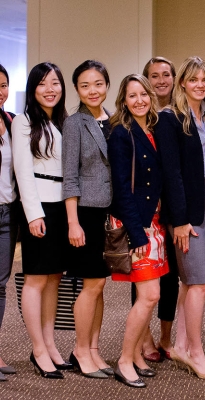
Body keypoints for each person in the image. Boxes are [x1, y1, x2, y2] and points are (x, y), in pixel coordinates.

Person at [156, 56, 205, 380]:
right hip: (187, 210)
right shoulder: (170, 118)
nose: (200, 85)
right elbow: (171, 174)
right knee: (201, 282)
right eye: (193, 79)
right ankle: (196, 354)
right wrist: (179, 220)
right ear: (182, 82)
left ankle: (181, 346)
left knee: (188, 282)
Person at [107, 74, 169, 388]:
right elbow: (121, 188)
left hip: (154, 222)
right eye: (132, 96)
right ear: (124, 100)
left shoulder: (153, 128)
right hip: (138, 225)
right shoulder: (122, 132)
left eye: (143, 94)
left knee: (147, 296)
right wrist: (137, 233)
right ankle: (123, 358)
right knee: (150, 295)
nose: (140, 100)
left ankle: (137, 355)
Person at [12, 62, 71, 379]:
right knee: (35, 279)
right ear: (33, 89)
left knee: (54, 278)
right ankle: (37, 349)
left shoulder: (63, 121)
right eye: (43, 84)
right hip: (38, 208)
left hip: (63, 207)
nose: (50, 89)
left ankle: (50, 344)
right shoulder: (23, 121)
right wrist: (33, 214)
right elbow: (22, 170)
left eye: (56, 83)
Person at [62, 60, 113, 379]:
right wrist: (72, 222)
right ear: (77, 89)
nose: (92, 90)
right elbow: (69, 176)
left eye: (98, 83)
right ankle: (81, 350)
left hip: (110, 213)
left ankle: (93, 350)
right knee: (91, 283)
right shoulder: (75, 123)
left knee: (100, 284)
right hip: (86, 214)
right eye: (84, 85)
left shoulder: (115, 119)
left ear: (107, 84)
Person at [136, 56, 178, 363]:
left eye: (166, 75)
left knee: (170, 275)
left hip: (171, 208)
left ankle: (165, 335)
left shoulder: (181, 115)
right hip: (144, 211)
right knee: (141, 272)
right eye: (154, 75)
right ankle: (145, 337)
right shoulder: (138, 118)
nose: (161, 80)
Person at [0, 64, 18, 382]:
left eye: (3, 85)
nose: (0, 91)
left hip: (7, 215)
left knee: (0, 287)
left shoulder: (12, 121)